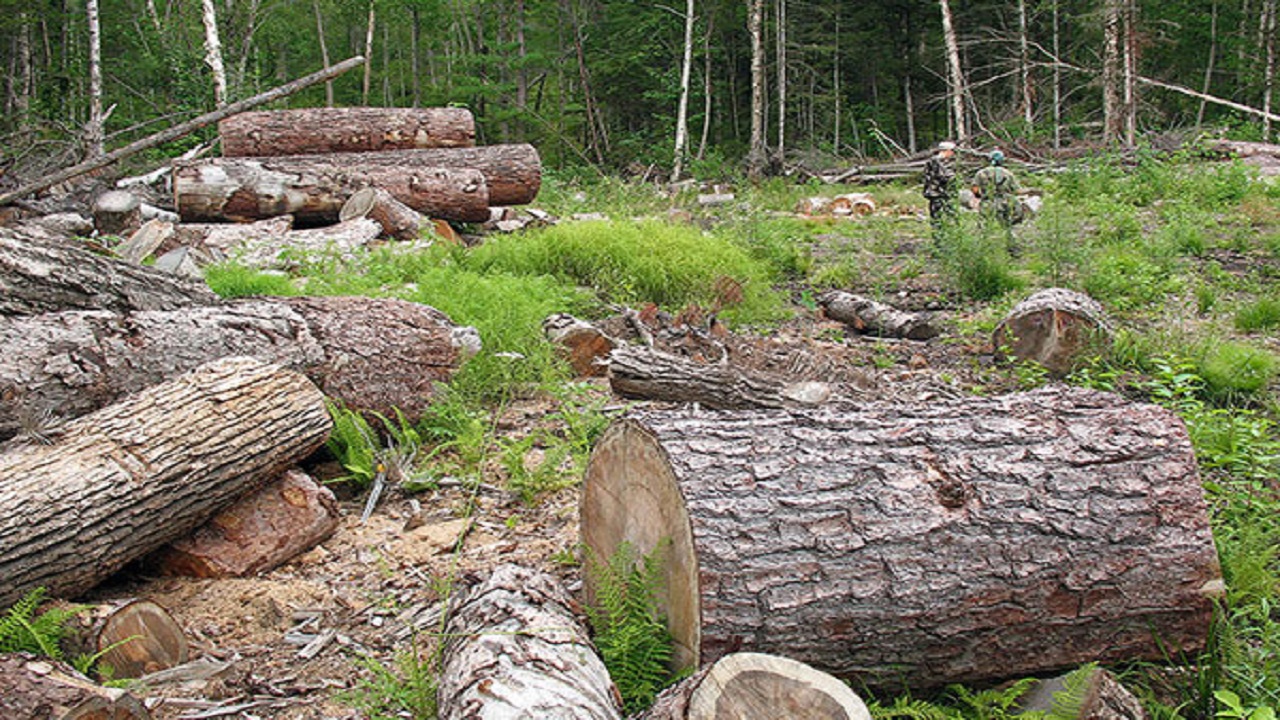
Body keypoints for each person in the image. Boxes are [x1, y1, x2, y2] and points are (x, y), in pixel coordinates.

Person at [971, 150, 1022, 228]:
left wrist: (979, 196)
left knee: (984, 226)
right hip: (1005, 202)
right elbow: (1017, 190)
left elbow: (975, 188)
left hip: (988, 202)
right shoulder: (1008, 173)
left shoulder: (981, 173)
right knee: (1007, 225)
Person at [921, 141, 957, 226]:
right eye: (952, 151)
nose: (952, 153)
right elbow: (943, 177)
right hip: (936, 193)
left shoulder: (941, 161)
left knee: (948, 215)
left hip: (943, 193)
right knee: (938, 216)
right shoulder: (935, 161)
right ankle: (939, 236)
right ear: (947, 150)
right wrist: (954, 178)